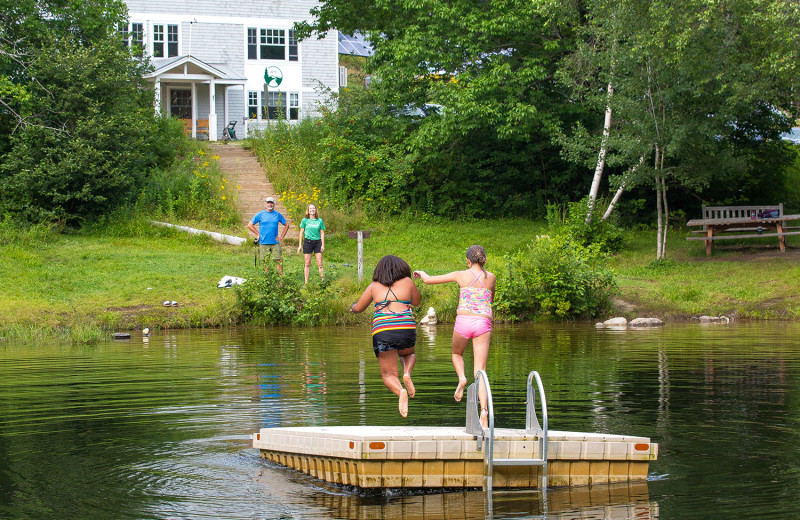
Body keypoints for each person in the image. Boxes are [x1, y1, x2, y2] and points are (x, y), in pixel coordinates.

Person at [413, 245, 496, 428]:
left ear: (468, 261)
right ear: (485, 260)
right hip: (483, 322)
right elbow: (490, 299)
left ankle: (461, 379)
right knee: (480, 370)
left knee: (456, 354)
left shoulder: (461, 275)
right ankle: (484, 412)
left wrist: (421, 273)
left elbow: (428, 280)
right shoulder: (491, 278)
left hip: (463, 321)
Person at [350, 255, 421, 417]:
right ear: (401, 268)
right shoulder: (408, 282)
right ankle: (407, 374)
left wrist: (352, 308)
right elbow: (416, 302)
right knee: (408, 353)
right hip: (405, 326)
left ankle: (401, 391)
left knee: (389, 375)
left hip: (383, 330)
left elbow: (359, 308)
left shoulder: (373, 287)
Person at [247, 197, 289, 275]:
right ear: (265, 204)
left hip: (275, 242)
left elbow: (286, 225)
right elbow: (250, 225)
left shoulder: (277, 214)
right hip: (263, 242)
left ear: (274, 204)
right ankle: (268, 280)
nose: (270, 204)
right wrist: (258, 234)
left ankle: (280, 280)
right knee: (266, 262)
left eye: (271, 203)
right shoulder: (260, 214)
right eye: (268, 203)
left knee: (279, 260)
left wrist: (281, 236)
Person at [296, 203, 326, 284]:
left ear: (316, 210)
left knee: (319, 262)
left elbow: (322, 233)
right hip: (307, 242)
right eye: (310, 209)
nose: (312, 210)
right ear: (308, 211)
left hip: (317, 242)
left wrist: (323, 245)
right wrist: (300, 245)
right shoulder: (305, 220)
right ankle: (306, 281)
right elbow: (301, 233)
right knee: (307, 263)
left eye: (313, 208)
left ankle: (323, 281)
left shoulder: (320, 220)